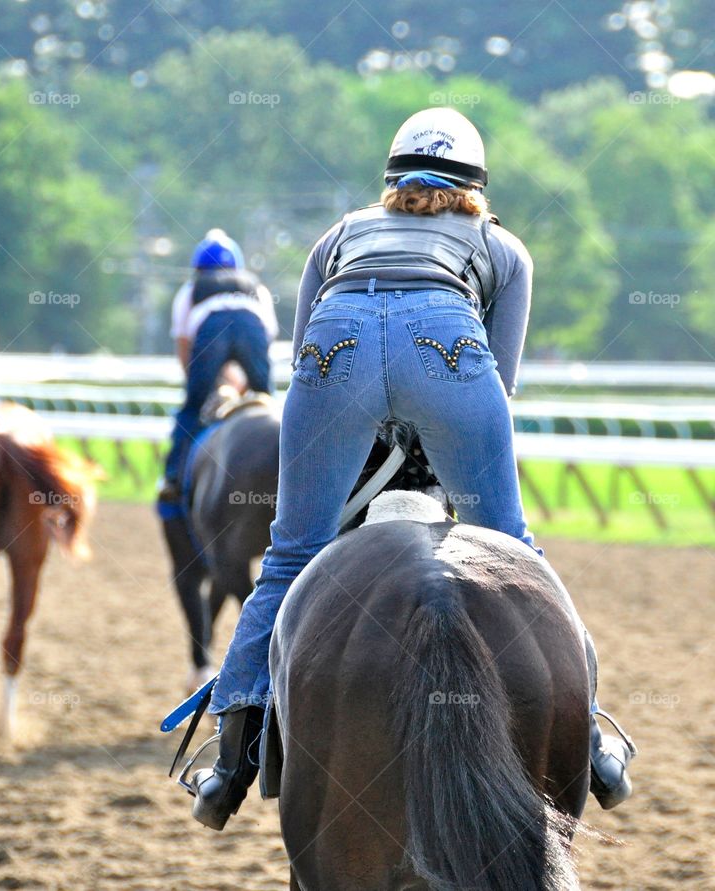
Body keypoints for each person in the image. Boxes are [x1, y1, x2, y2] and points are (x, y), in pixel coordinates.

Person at [187, 107, 636, 830]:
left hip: (334, 354)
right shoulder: (504, 248)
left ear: (391, 179)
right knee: (515, 548)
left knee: (290, 556)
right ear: (477, 186)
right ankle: (589, 738)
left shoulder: (336, 236)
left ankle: (229, 763)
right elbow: (502, 377)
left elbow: (303, 350)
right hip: (449, 351)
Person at [159, 229, 278, 501]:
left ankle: (173, 477)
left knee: (191, 409)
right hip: (252, 326)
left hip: (212, 329)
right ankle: (292, 472)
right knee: (270, 404)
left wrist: (200, 387)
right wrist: (248, 387)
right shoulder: (256, 288)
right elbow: (265, 339)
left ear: (198, 268)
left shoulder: (190, 290)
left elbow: (184, 346)